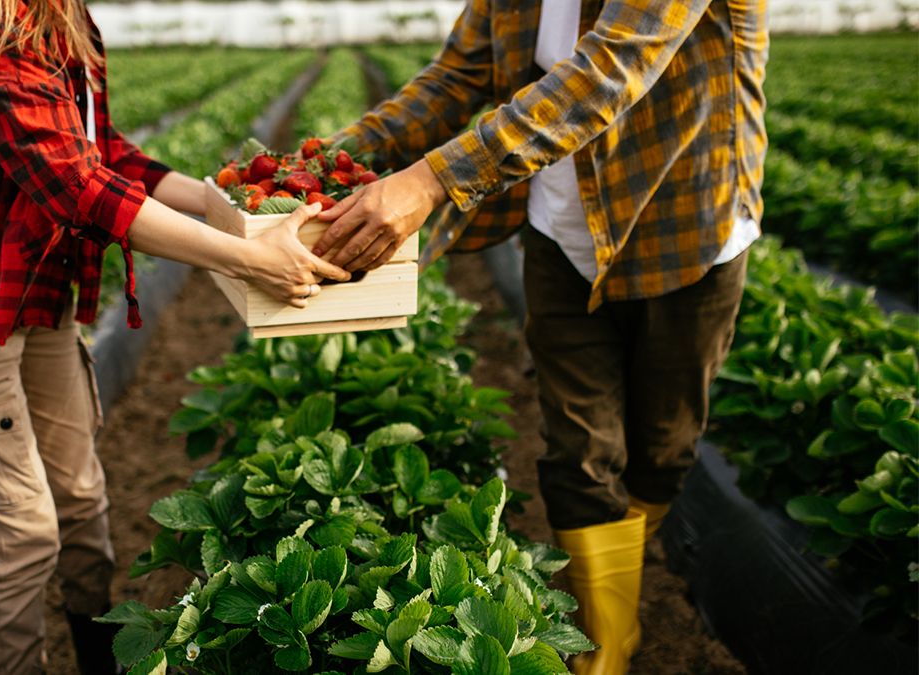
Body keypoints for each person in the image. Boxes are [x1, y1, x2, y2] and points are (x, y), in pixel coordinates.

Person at [0, 0, 349, 672]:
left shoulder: (60, 15)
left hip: (34, 286)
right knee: (20, 532)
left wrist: (228, 202)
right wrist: (244, 257)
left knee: (81, 497)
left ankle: (98, 654)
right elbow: (74, 185)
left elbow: (103, 153)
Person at [311, 1, 767, 673]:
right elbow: (454, 78)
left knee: (664, 449)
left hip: (686, 230)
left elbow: (606, 73)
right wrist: (318, 164)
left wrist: (431, 179)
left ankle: (626, 591)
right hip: (562, 233)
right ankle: (606, 644)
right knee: (579, 450)